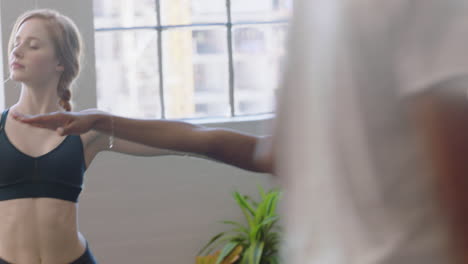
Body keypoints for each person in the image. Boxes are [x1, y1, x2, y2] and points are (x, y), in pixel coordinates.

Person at [0, 8, 272, 264]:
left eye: (32, 45)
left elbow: (194, 138)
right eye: (17, 42)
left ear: (60, 61)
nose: (17, 50)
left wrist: (102, 120)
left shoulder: (88, 129)